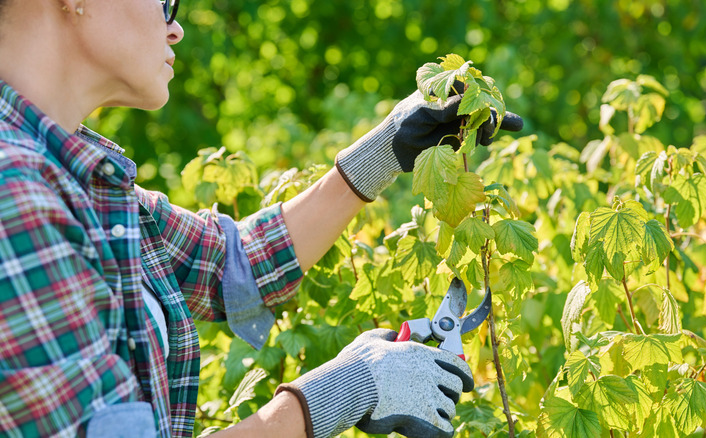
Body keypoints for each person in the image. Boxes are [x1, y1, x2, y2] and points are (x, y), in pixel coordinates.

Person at [0, 0, 523, 437]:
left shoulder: (79, 178)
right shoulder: (15, 194)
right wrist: (345, 389)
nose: (175, 26)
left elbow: (230, 265)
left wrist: (389, 147)